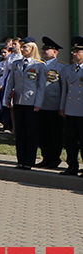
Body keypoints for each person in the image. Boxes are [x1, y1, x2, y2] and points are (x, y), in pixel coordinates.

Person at [4, 37, 46, 170]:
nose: (22, 49)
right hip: (18, 101)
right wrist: (7, 98)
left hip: (31, 102)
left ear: (32, 49)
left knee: (31, 132)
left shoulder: (39, 65)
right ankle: (20, 160)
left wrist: (38, 103)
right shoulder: (16, 64)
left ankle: (29, 161)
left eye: (25, 47)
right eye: (21, 47)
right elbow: (10, 82)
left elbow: (41, 86)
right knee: (20, 131)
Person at [37, 37, 66, 169]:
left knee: (55, 135)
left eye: (47, 49)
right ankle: (45, 157)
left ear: (55, 52)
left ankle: (55, 159)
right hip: (40, 105)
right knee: (43, 134)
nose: (44, 51)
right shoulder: (37, 65)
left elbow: (63, 88)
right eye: (43, 49)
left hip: (54, 105)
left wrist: (62, 106)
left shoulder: (61, 67)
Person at [60, 37, 83, 176]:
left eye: (78, 51)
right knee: (70, 141)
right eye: (73, 51)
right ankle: (72, 166)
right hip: (70, 109)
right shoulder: (68, 69)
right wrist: (62, 107)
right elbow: (65, 90)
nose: (74, 54)